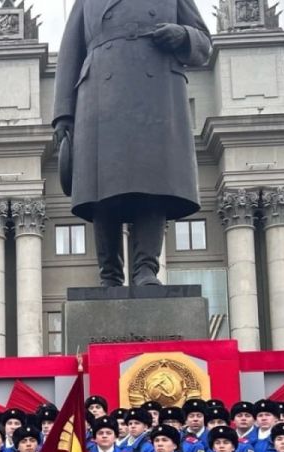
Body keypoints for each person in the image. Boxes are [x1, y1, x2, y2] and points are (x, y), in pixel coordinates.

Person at [53, 0, 211, 286]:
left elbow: (203, 43)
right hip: (100, 98)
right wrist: (63, 115)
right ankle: (109, 274)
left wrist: (183, 35)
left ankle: (146, 269)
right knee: (101, 189)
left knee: (152, 184)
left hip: (156, 95)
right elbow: (69, 54)